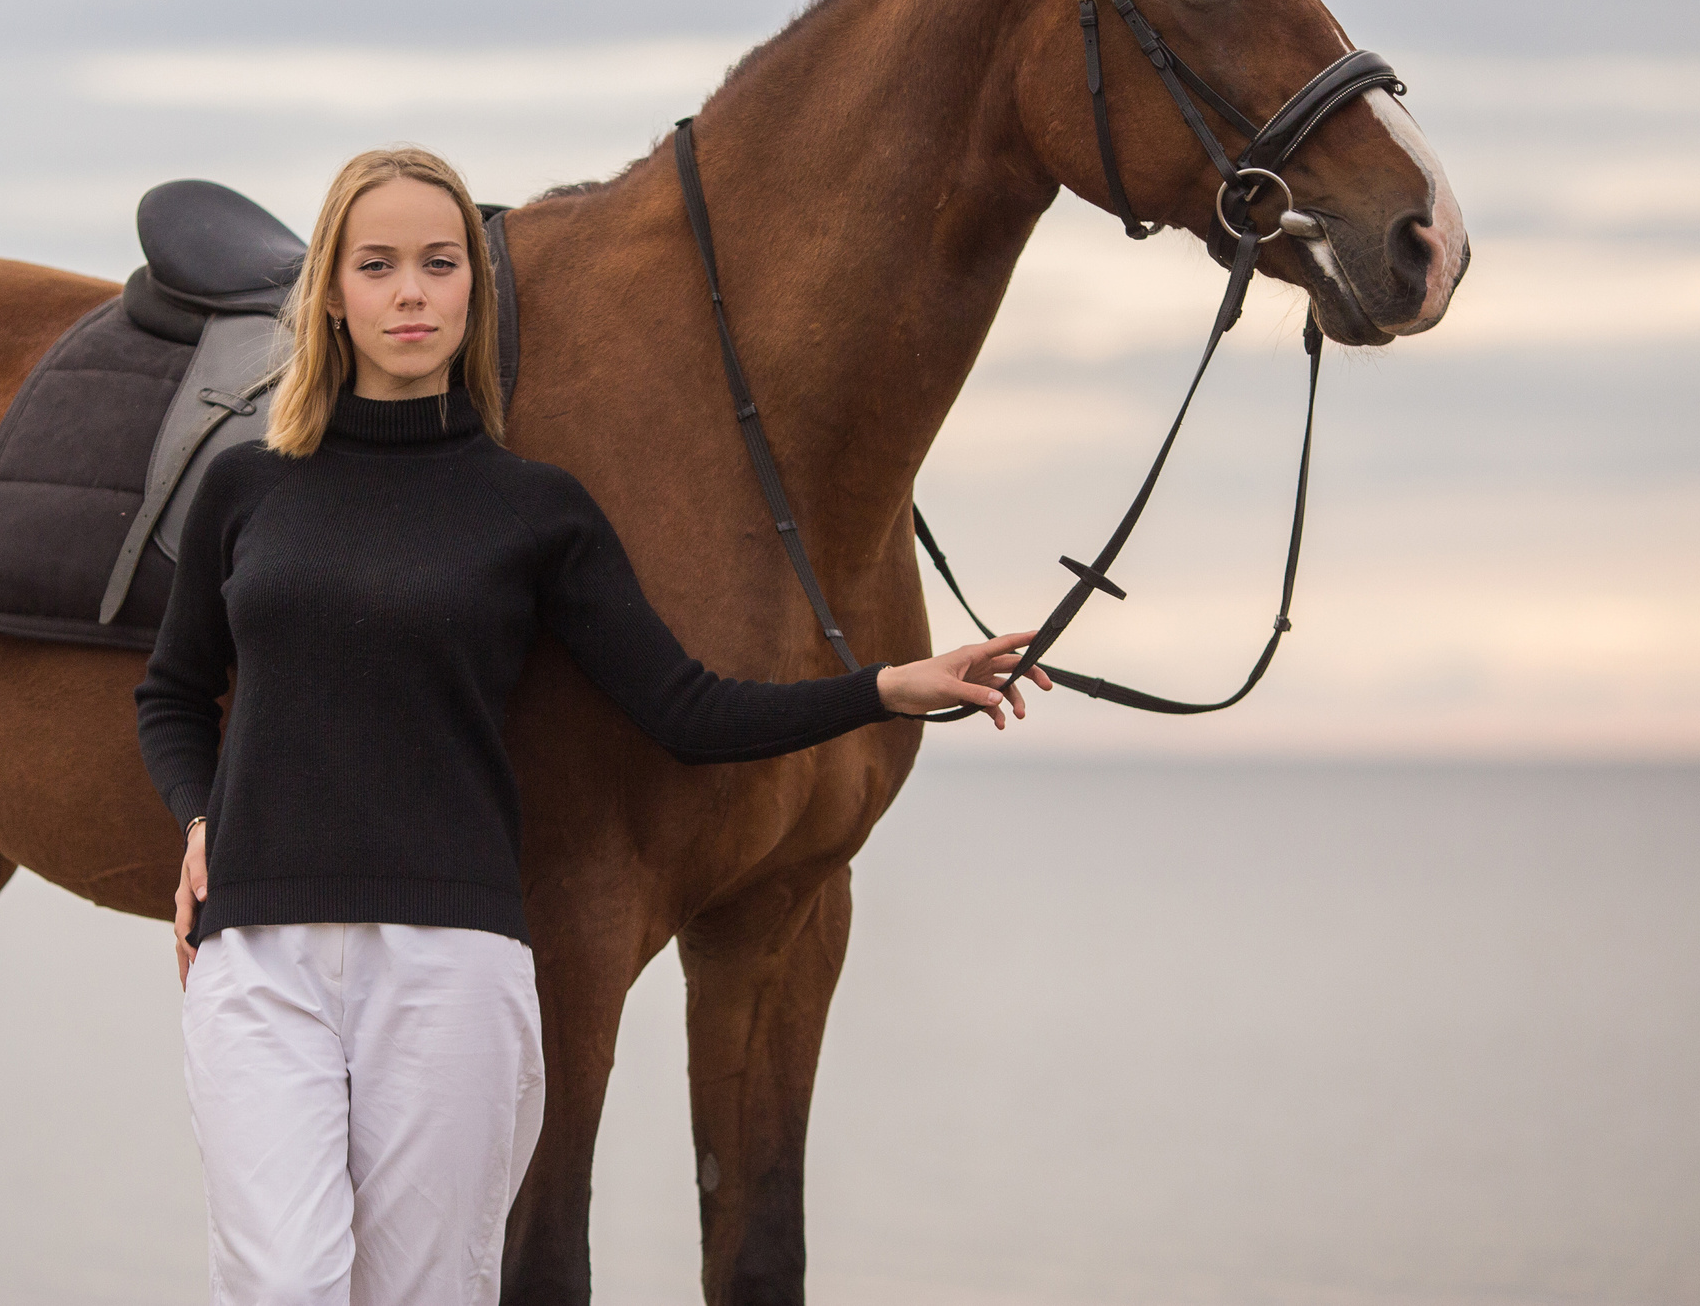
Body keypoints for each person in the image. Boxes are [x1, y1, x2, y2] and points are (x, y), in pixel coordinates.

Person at [135, 145, 1048, 1306]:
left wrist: (883, 688)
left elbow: (684, 708)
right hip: (260, 960)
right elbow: (173, 692)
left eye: (439, 263)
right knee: (284, 1285)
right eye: (377, 265)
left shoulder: (534, 510)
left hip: (450, 966)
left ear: (475, 292)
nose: (411, 292)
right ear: (330, 293)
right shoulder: (248, 487)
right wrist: (198, 820)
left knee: (427, 1292)